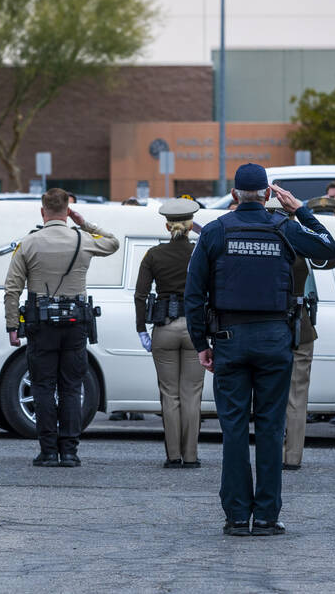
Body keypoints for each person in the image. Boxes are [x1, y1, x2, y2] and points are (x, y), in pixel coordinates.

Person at [185, 163, 335, 537]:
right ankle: (267, 516)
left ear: (235, 194)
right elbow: (330, 252)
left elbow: (194, 293)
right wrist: (300, 210)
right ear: (268, 194)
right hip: (274, 339)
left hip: (229, 341)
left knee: (234, 430)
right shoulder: (285, 228)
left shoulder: (216, 231)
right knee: (271, 429)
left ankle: (238, 516)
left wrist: (201, 343)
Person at [4, 188, 119, 467]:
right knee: (71, 386)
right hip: (75, 323)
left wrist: (12, 325)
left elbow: (12, 288)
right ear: (68, 210)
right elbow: (113, 242)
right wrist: (84, 223)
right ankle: (69, 450)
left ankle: (48, 450)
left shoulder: (28, 244)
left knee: (43, 386)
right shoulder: (82, 239)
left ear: (42, 212)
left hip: (40, 323)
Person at [135, 198, 205, 468]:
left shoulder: (153, 254)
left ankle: (173, 456)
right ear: (190, 226)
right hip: (194, 329)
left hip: (163, 328)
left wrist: (141, 329)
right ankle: (191, 456)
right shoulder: (201, 252)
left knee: (169, 394)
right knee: (192, 394)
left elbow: (141, 295)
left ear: (167, 225)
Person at [266, 198, 333, 472]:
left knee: (269, 393)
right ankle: (292, 456)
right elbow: (330, 249)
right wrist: (302, 216)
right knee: (297, 394)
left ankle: (270, 452)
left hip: (268, 321)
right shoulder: (299, 242)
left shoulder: (263, 243)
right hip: (299, 322)